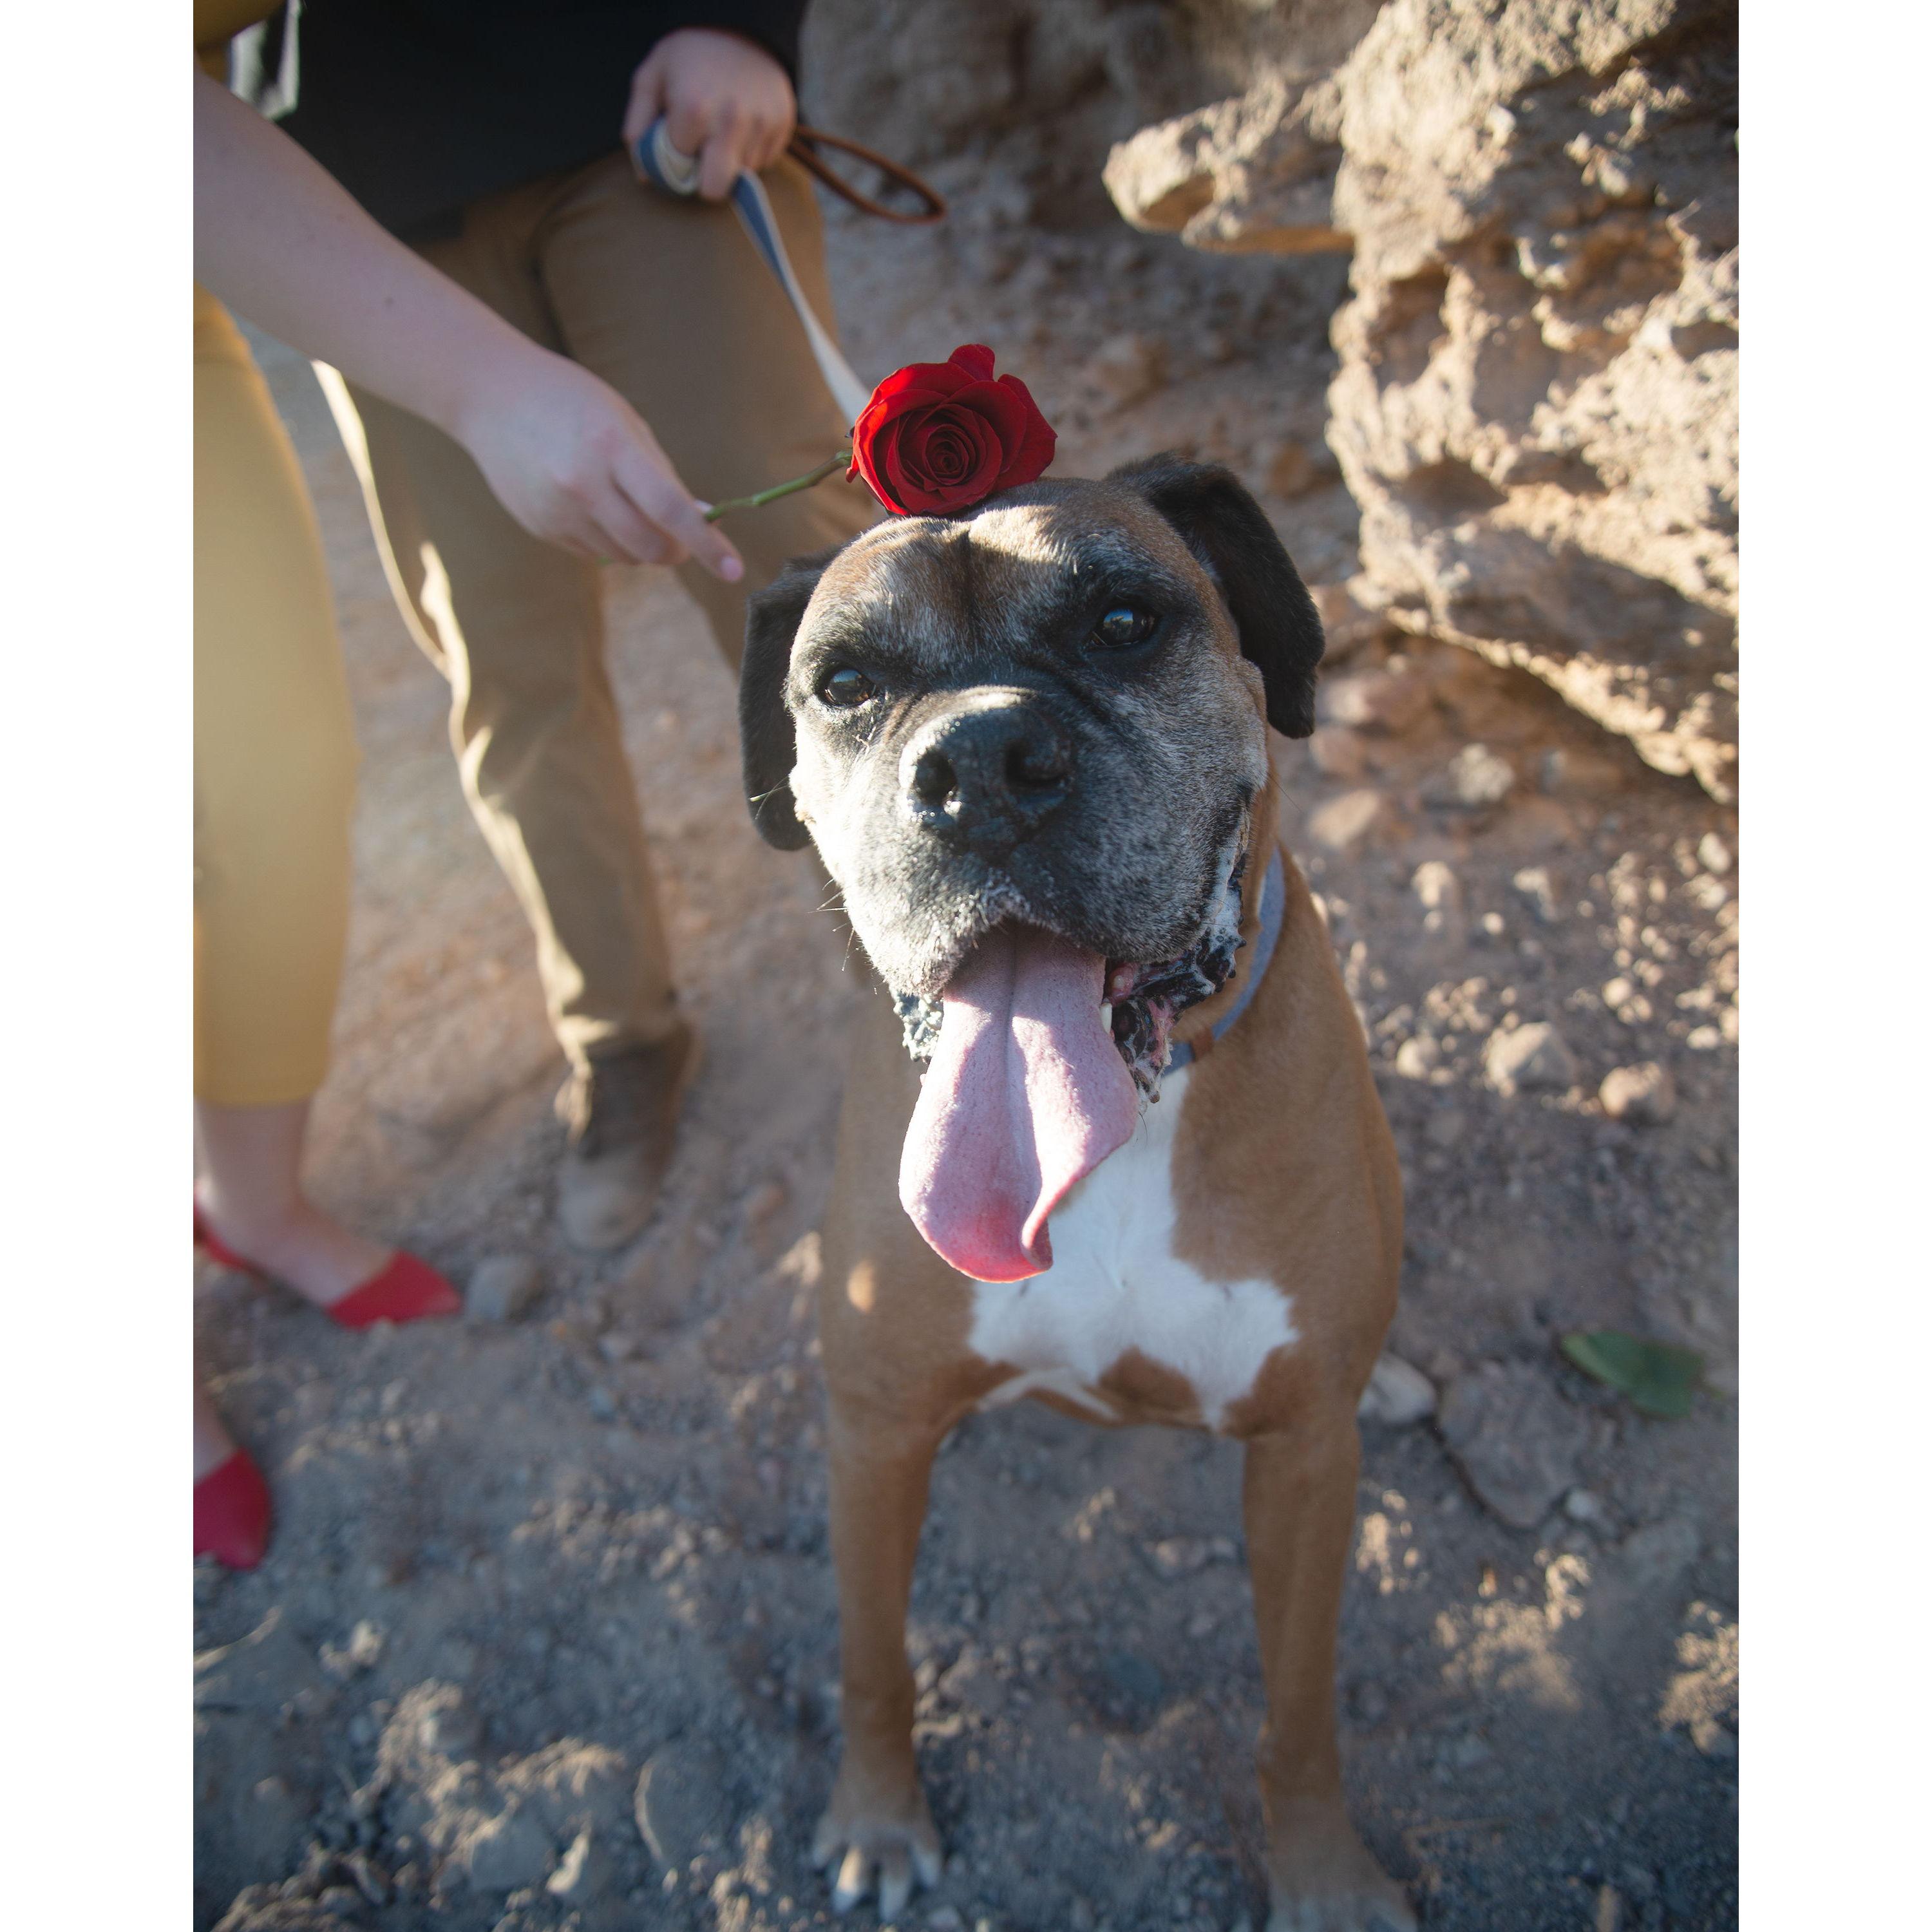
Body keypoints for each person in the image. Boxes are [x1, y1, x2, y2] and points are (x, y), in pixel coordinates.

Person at [193, 1, 760, 1566]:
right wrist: (486, 385)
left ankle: (251, 1205)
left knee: (276, 781)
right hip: (325, 179)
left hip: (175, 259)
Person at [248, 2, 878, 1251]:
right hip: (363, 196)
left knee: (818, 591)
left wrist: (744, 21)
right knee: (507, 666)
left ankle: (956, 968)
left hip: (633, 94)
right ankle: (622, 1036)